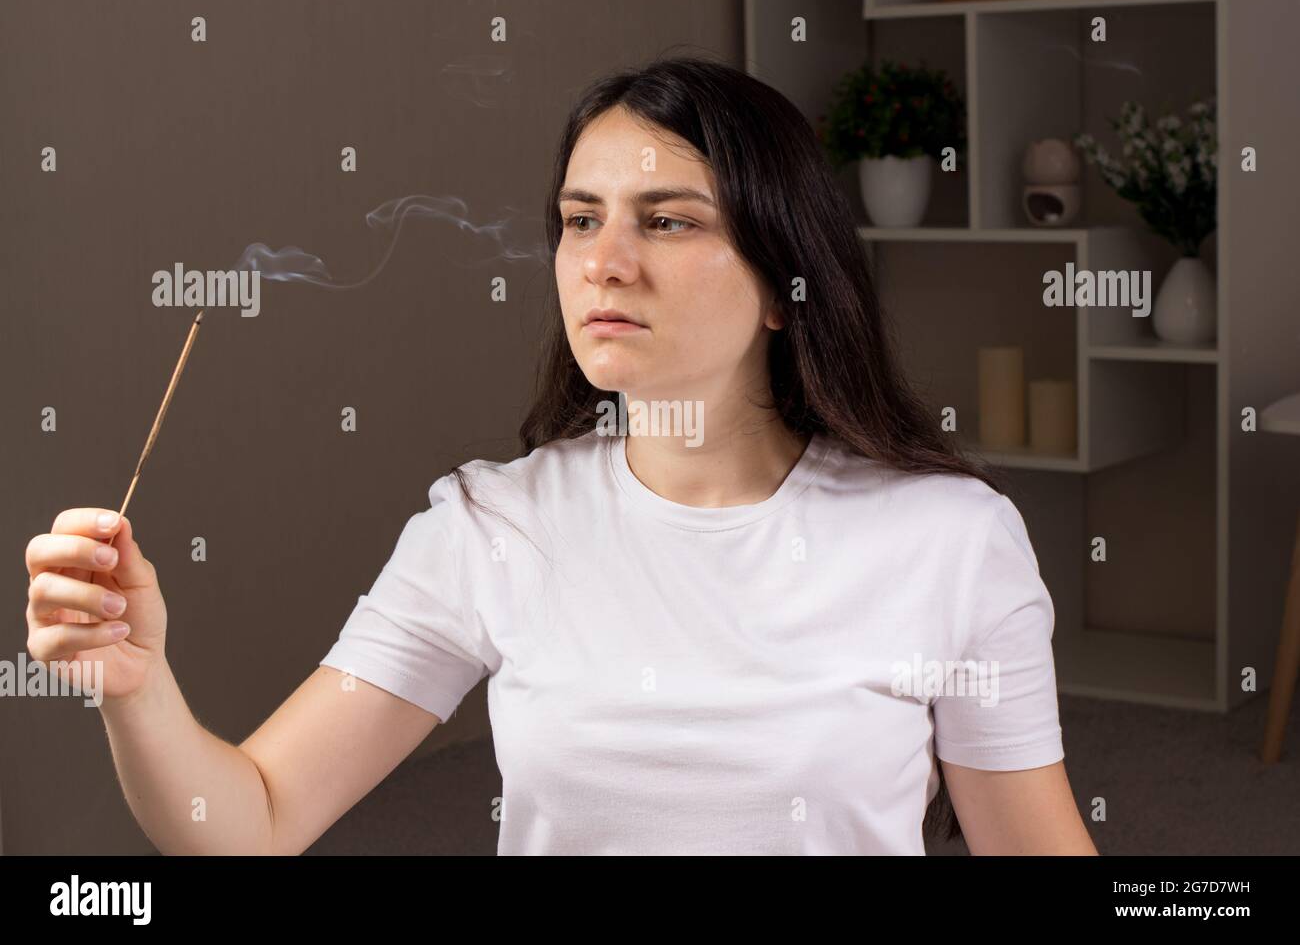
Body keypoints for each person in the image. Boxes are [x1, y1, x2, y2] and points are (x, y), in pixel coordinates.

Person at [23, 56, 1096, 855]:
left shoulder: (947, 536)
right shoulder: (490, 528)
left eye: (666, 222)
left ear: (784, 280)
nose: (604, 263)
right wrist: (137, 681)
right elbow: (248, 820)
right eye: (581, 221)